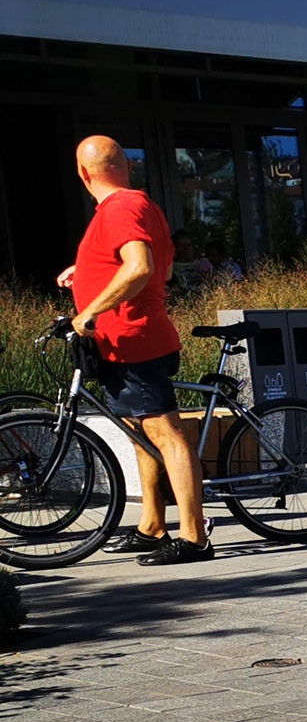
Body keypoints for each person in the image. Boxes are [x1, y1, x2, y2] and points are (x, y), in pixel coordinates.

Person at [57, 136, 209, 564]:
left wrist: (89, 310)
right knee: (141, 435)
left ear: (83, 173)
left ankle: (195, 537)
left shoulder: (120, 209)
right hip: (126, 341)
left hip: (134, 340)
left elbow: (140, 265)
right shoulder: (135, 205)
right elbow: (139, 261)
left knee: (166, 435)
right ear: (126, 166)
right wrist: (84, 270)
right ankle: (152, 527)